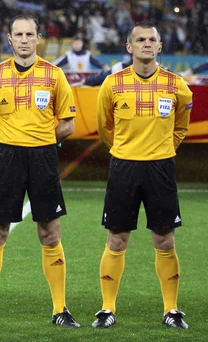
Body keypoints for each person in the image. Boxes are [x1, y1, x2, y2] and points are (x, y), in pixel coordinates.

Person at [0, 14, 80, 328]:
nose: (25, 39)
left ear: (39, 39)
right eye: (19, 34)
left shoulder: (54, 75)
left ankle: (60, 309)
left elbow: (68, 124)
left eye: (30, 34)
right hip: (7, 160)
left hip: (43, 160)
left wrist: (39, 142)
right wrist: (8, 142)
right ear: (10, 39)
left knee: (49, 233)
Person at [93, 22, 193, 329]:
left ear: (160, 46)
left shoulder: (177, 85)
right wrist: (127, 149)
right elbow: (104, 127)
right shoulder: (112, 84)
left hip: (161, 168)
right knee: (117, 238)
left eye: (152, 39)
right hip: (124, 166)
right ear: (129, 47)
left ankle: (172, 310)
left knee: (165, 240)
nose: (147, 44)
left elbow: (181, 127)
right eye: (140, 39)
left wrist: (161, 149)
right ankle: (107, 308)